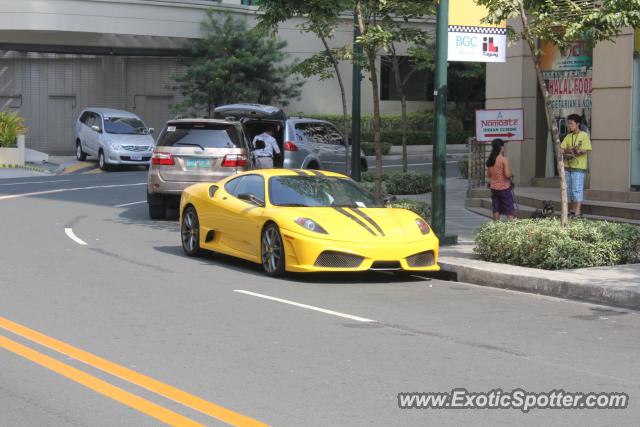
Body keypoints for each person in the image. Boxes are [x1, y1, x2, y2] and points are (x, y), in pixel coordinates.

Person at [561, 114, 591, 218]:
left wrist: (574, 151)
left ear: (578, 124)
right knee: (569, 190)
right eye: (568, 123)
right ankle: (573, 210)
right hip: (568, 166)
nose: (569, 125)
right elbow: (561, 150)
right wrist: (568, 151)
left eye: (571, 123)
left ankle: (577, 212)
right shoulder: (568, 136)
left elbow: (585, 150)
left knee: (577, 189)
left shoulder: (584, 135)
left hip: (579, 167)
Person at [486, 138, 515, 220]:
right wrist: (511, 174)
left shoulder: (491, 159)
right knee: (509, 209)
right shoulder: (503, 159)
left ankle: (497, 227)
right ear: (501, 147)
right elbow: (507, 174)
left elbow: (488, 175)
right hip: (504, 188)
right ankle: (512, 228)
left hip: (494, 188)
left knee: (496, 208)